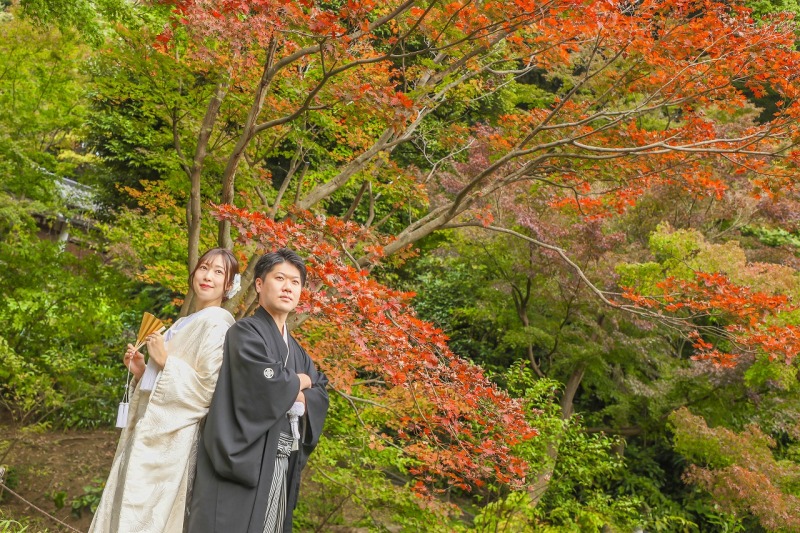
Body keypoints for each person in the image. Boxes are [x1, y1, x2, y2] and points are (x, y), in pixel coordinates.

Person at [89, 248, 240, 533]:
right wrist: (143, 371)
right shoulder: (185, 322)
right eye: (204, 267)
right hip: (150, 432)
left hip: (172, 441)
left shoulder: (218, 325)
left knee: (147, 518)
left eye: (219, 272)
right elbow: (162, 378)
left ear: (229, 285)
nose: (208, 276)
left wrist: (165, 361)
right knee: (128, 510)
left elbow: (207, 390)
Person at [188, 248, 329, 533]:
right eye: (279, 278)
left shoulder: (298, 352)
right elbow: (268, 388)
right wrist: (301, 382)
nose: (288, 287)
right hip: (244, 461)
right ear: (260, 284)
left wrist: (292, 386)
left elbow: (322, 393)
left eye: (295, 282)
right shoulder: (244, 333)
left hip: (281, 461)